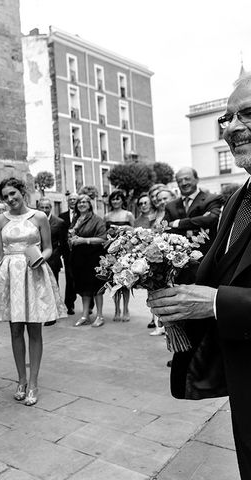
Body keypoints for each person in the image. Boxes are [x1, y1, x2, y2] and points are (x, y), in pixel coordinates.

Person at [148, 75, 251, 479]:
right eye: (227, 118)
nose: (232, 128)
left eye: (248, 114)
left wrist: (211, 303)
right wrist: (161, 280)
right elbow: (217, 271)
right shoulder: (237, 201)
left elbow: (216, 295)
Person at [0, 178, 66, 406]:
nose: (10, 199)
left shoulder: (39, 217)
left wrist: (43, 258)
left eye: (13, 194)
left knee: (35, 330)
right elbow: (0, 254)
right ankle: (20, 380)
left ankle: (33, 382)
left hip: (34, 273)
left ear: (22, 192)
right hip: (11, 275)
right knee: (15, 330)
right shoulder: (1, 220)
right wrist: (1, 283)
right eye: (5, 196)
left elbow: (49, 246)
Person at [69, 194, 107, 327]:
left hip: (93, 257)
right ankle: (85, 315)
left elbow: (103, 238)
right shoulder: (76, 219)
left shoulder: (97, 219)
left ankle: (100, 316)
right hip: (79, 258)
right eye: (79, 202)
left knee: (96, 287)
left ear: (90, 204)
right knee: (83, 287)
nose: (82, 204)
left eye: (85, 202)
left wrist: (84, 240)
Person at [164, 167, 223, 251]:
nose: (184, 183)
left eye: (187, 179)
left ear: (197, 179)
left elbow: (212, 219)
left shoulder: (212, 199)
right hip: (178, 257)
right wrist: (199, 223)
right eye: (180, 181)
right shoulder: (170, 206)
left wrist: (178, 223)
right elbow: (165, 229)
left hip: (207, 254)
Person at [104, 189, 135, 322]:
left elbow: (134, 231)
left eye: (118, 198)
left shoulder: (128, 215)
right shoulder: (106, 216)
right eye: (113, 199)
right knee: (113, 281)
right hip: (111, 251)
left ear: (122, 200)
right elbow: (105, 235)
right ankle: (116, 309)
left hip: (125, 251)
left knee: (125, 282)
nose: (115, 201)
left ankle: (126, 308)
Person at [37, 197, 68, 284]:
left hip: (53, 261)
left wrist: (57, 255)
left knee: (53, 285)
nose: (44, 210)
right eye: (41, 207)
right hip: (36, 258)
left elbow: (63, 243)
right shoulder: (33, 221)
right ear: (38, 208)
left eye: (46, 207)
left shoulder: (59, 223)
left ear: (51, 208)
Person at [60, 193, 79, 314]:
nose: (72, 201)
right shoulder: (62, 216)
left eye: (74, 199)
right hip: (68, 253)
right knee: (69, 278)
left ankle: (90, 304)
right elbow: (60, 236)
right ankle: (69, 304)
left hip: (82, 252)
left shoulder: (83, 215)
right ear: (67, 201)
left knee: (83, 278)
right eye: (70, 199)